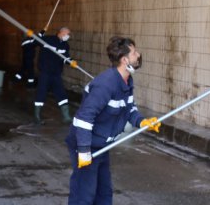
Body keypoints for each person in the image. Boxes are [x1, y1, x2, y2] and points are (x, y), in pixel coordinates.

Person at [66, 36, 160, 205]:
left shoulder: (126, 80)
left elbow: (129, 108)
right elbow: (84, 118)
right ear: (125, 60)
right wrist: (84, 150)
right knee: (84, 195)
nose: (138, 55)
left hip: (102, 143)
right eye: (134, 52)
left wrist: (142, 122)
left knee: (104, 194)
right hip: (86, 143)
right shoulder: (106, 84)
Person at [34, 27, 74, 124]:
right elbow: (35, 42)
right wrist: (40, 33)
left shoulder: (65, 45)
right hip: (45, 72)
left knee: (61, 92)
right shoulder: (48, 39)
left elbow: (65, 58)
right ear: (61, 32)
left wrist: (71, 62)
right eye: (67, 33)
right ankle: (37, 116)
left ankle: (66, 116)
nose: (68, 36)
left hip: (56, 73)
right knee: (41, 92)